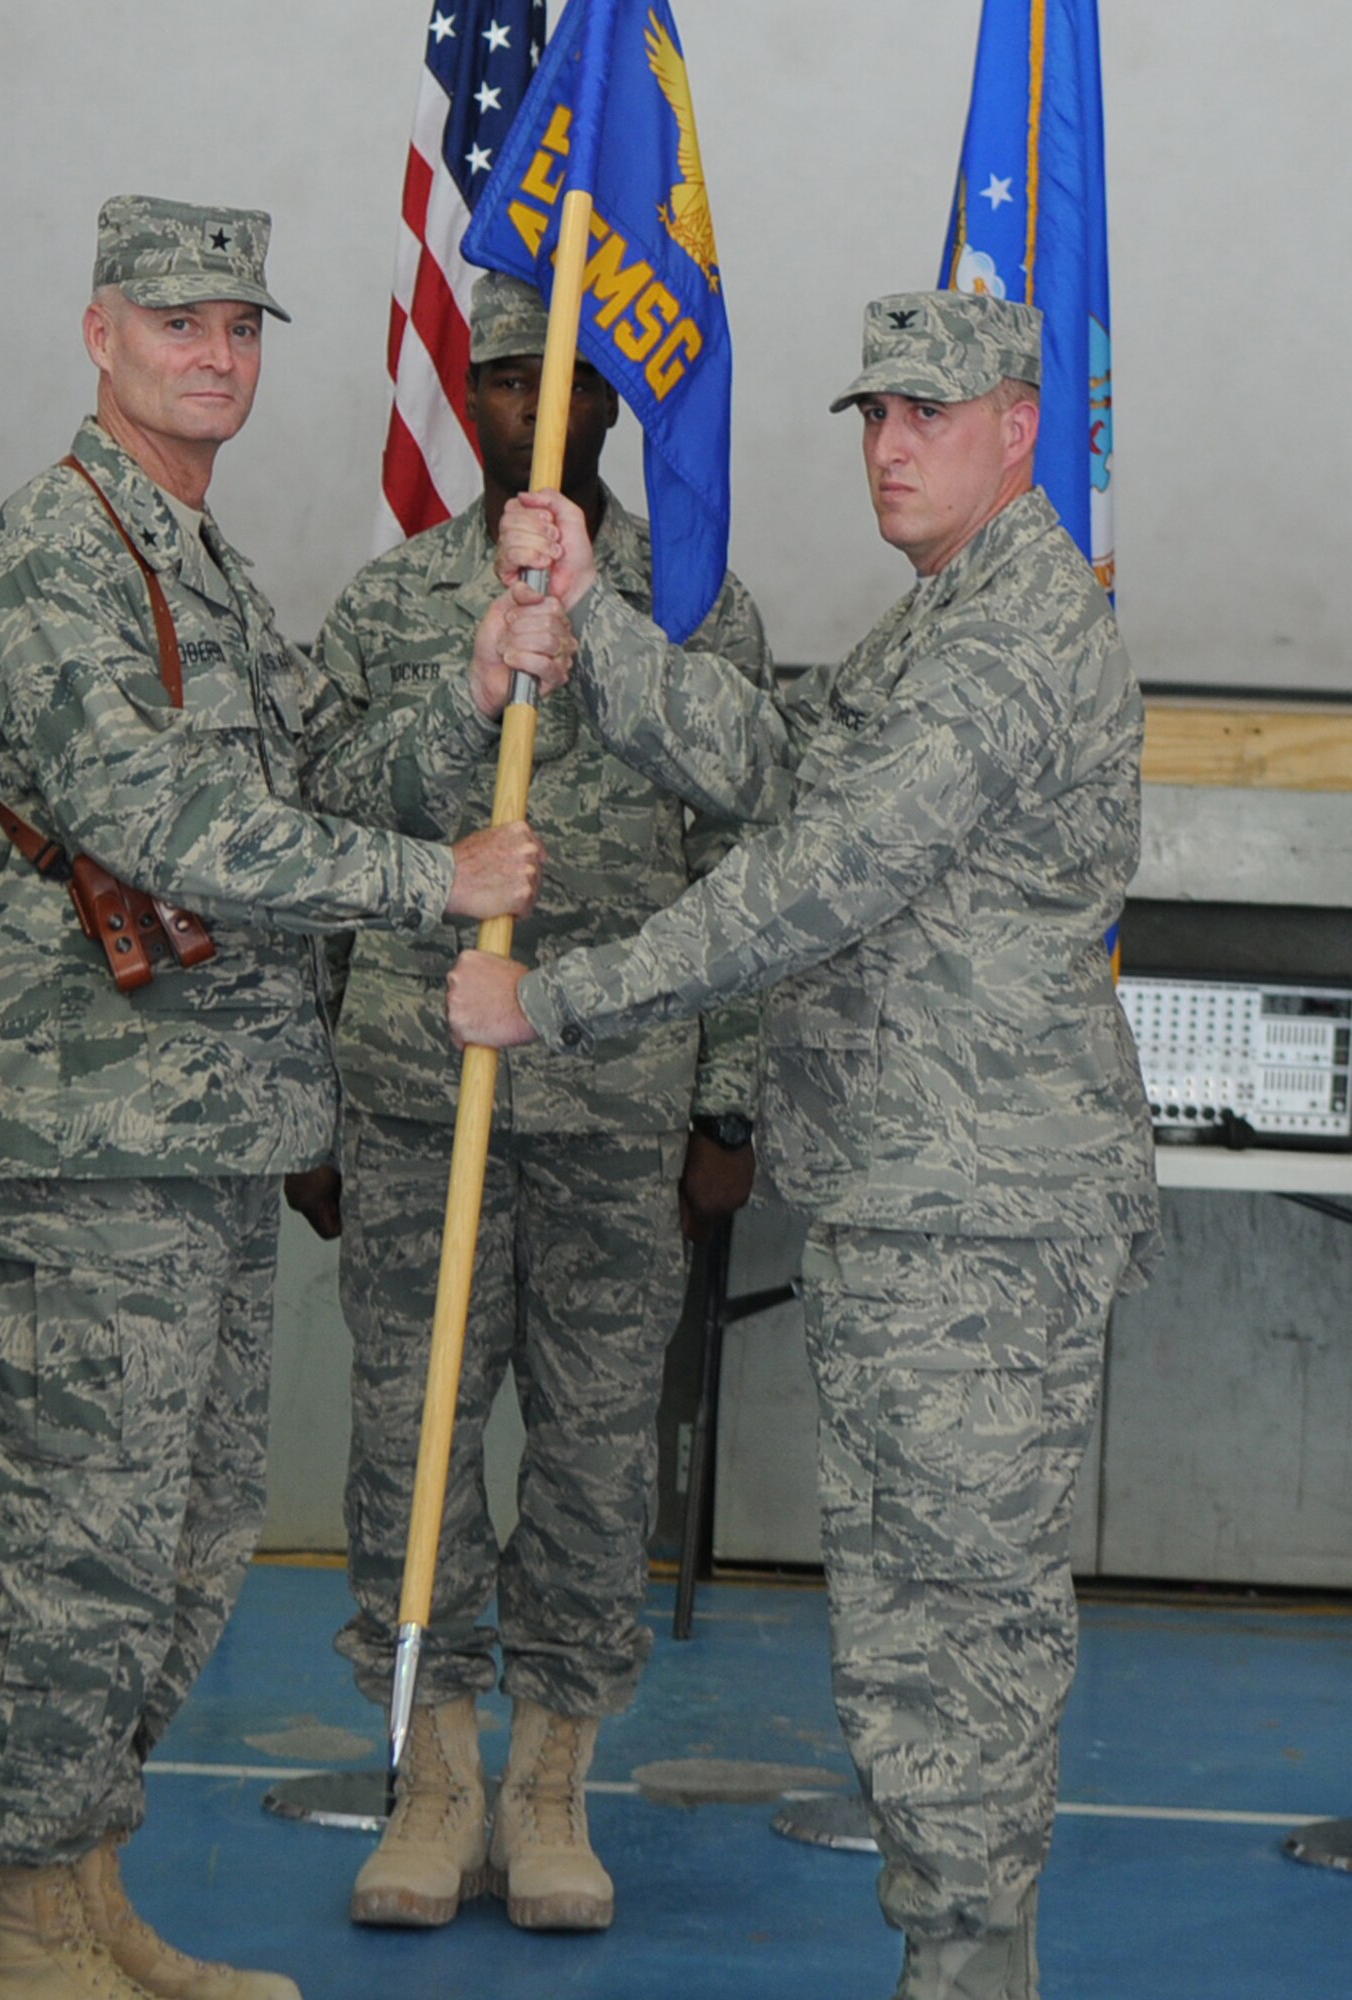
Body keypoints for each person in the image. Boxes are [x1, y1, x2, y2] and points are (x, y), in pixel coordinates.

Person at [448, 291, 1159, 1999]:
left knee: (955, 1640)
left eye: (927, 413)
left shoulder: (1010, 636)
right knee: (910, 1632)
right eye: (870, 415)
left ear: (1017, 424)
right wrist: (594, 627)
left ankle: (970, 1974)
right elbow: (778, 772)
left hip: (976, 1221)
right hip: (909, 1207)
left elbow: (814, 879)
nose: (889, 445)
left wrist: (555, 1000)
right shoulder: (935, 622)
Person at [0, 197, 570, 2000]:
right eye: (176, 324)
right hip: (93, 1142)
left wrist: (465, 693)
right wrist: (427, 880)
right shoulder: (56, 557)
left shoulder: (197, 562)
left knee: (187, 1540)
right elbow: (161, 822)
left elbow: (312, 766)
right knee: (81, 1543)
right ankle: (18, 1935)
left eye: (240, 327)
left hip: (204, 1138)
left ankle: (91, 1895)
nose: (214, 356)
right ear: (98, 336)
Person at [301, 271, 771, 1934]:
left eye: (559, 384)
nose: (528, 411)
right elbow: (324, 828)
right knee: (407, 1444)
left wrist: (726, 1106)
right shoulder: (388, 605)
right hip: (418, 1089)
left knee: (584, 1452)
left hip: (620, 1099)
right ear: (473, 400)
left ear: (607, 408)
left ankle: (554, 1780)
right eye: (501, 382)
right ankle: (430, 1775)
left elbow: (746, 849)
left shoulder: (689, 599)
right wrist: (312, 1110)